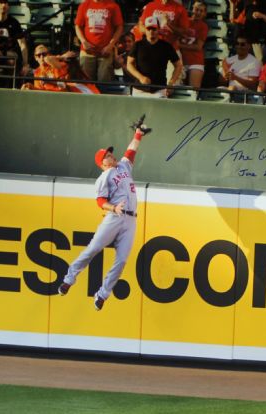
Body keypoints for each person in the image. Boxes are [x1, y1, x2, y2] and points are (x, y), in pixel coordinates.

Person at [57, 115, 152, 311]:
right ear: (103, 163)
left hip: (131, 219)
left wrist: (138, 134)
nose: (111, 155)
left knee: (123, 260)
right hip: (115, 217)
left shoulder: (123, 166)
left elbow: (131, 151)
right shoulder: (104, 177)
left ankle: (102, 294)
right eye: (107, 155)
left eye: (110, 153)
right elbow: (100, 201)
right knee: (93, 249)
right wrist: (113, 208)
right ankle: (69, 278)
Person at [127, 16, 183, 98]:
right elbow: (129, 64)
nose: (151, 31)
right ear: (145, 30)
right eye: (149, 29)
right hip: (139, 89)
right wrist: (141, 77)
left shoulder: (166, 46)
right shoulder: (137, 45)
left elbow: (178, 65)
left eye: (154, 29)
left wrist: (171, 82)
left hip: (159, 89)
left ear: (158, 30)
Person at [74, 0, 124, 82]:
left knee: (105, 82)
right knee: (86, 83)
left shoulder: (113, 5)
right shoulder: (84, 5)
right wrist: (83, 41)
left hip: (106, 51)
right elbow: (78, 26)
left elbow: (119, 27)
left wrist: (110, 45)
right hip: (87, 52)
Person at [0, 0, 29, 86]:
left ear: (8, 6)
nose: (3, 5)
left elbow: (22, 44)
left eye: (5, 3)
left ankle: (11, 86)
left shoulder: (14, 22)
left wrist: (25, 64)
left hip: (10, 53)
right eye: (0, 3)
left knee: (12, 61)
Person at [219, 34, 262, 100]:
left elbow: (253, 85)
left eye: (242, 44)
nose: (239, 46)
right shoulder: (230, 60)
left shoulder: (254, 62)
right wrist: (225, 74)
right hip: (230, 90)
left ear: (248, 46)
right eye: (237, 44)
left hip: (245, 94)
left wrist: (235, 78)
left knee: (232, 89)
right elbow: (221, 81)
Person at [179, 0, 209, 89]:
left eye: (201, 11)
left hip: (196, 61)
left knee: (193, 90)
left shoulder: (203, 26)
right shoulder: (183, 21)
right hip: (181, 61)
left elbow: (198, 47)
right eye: (196, 9)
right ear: (192, 9)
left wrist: (180, 45)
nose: (198, 12)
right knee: (177, 90)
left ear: (205, 13)